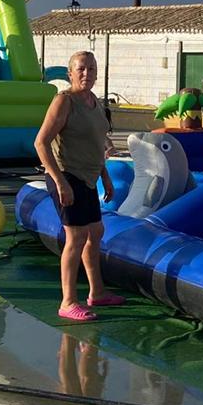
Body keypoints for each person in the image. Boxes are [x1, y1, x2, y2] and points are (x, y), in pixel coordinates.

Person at [34, 50, 119, 321]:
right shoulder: (64, 101)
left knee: (96, 232)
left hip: (89, 177)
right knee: (76, 237)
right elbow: (41, 143)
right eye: (81, 69)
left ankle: (97, 293)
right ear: (70, 73)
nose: (87, 74)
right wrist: (60, 182)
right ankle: (68, 301)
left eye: (91, 69)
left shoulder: (94, 102)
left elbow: (95, 145)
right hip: (67, 175)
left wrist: (104, 176)